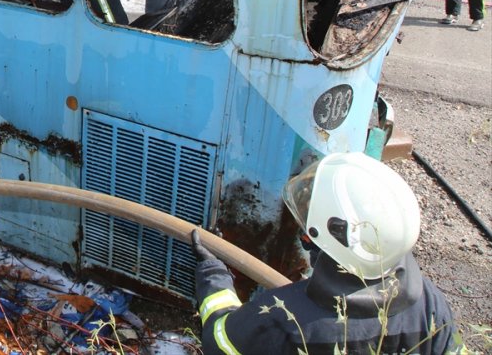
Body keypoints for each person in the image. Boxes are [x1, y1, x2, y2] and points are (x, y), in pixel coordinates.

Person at [192, 152, 463, 354]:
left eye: (308, 229)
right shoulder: (431, 305)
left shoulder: (283, 318)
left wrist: (213, 274)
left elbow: (218, 342)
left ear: (331, 237)